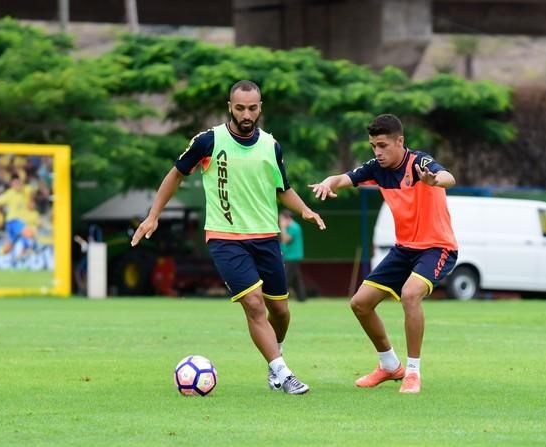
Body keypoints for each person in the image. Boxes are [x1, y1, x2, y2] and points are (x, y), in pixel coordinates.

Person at [131, 80, 326, 395]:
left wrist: (305, 210)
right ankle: (283, 373)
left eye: (252, 108)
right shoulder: (209, 141)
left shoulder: (271, 146)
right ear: (229, 107)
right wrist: (153, 215)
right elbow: (176, 174)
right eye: (240, 108)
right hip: (225, 238)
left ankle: (275, 360)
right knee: (253, 303)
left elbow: (283, 189)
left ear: (260, 107)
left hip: (266, 238)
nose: (246, 114)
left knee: (281, 311)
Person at [309, 114, 458, 394]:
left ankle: (412, 373)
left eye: (382, 145)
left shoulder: (418, 163)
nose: (377, 152)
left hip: (438, 246)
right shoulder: (376, 168)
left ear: (399, 141)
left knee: (410, 294)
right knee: (360, 304)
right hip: (404, 249)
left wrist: (435, 181)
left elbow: (448, 176)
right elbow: (344, 177)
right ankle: (390, 365)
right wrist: (329, 182)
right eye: (373, 146)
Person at [279, 209, 307, 302]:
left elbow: (286, 239)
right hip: (289, 256)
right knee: (296, 279)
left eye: (281, 219)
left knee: (285, 278)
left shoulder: (294, 227)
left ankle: (281, 296)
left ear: (287, 218)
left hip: (292, 257)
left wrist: (282, 227)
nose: (280, 222)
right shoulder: (290, 227)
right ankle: (301, 297)